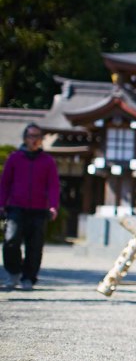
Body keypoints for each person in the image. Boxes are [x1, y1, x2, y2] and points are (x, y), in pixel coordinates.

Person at [0, 123, 60, 291]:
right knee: (11, 240)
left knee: (35, 246)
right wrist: (1, 203)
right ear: (25, 138)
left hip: (39, 209)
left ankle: (29, 277)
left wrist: (53, 206)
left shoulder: (48, 161)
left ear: (41, 140)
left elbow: (53, 186)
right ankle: (13, 273)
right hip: (16, 207)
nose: (34, 140)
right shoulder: (14, 158)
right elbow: (5, 183)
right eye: (31, 136)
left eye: (37, 137)